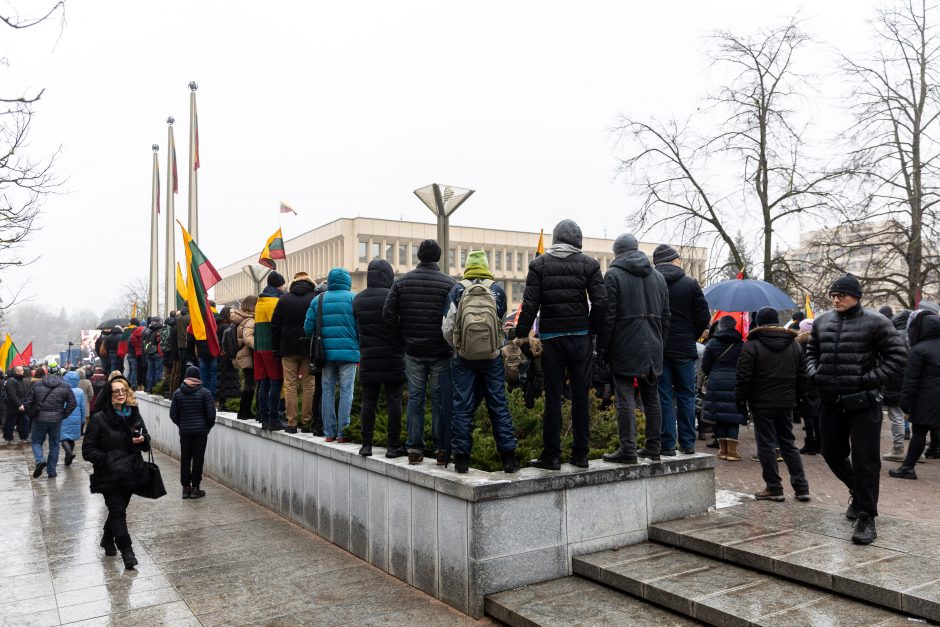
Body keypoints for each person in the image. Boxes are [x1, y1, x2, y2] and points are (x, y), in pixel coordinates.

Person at [806, 274, 906, 545]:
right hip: (831, 401)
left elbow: (897, 356)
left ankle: (866, 516)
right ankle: (857, 490)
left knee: (866, 461)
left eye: (842, 295)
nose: (836, 299)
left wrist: (868, 380)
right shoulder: (822, 321)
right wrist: (815, 374)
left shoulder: (877, 322)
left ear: (856, 297)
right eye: (833, 295)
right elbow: (811, 352)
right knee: (830, 452)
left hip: (864, 404)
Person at [515, 219, 607, 469]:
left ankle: (551, 455)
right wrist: (590, 329)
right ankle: (581, 455)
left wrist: (521, 335)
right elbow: (601, 302)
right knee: (580, 397)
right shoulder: (589, 264)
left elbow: (530, 304)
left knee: (553, 397)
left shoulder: (539, 264)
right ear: (578, 240)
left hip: (551, 341)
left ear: (555, 238)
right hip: (580, 340)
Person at [442, 251, 519, 473]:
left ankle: (462, 460)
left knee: (462, 406)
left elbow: (447, 328)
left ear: (467, 266)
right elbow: (500, 324)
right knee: (498, 404)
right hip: (493, 357)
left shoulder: (457, 290)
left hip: (463, 358)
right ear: (486, 266)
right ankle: (509, 459)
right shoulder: (497, 291)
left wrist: (459, 345)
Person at [597, 234, 669, 464]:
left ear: (617, 252)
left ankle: (628, 449)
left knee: (625, 398)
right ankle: (654, 448)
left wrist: (603, 348)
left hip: (625, 345)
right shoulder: (658, 277)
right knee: (652, 398)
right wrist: (660, 343)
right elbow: (667, 317)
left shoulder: (613, 274)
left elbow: (608, 317)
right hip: (653, 346)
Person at [383, 239, 456, 465]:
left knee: (415, 398)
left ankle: (414, 449)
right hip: (441, 351)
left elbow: (388, 315)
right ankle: (441, 449)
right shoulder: (449, 284)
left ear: (419, 257)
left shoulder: (402, 283)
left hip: (412, 350)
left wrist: (403, 337)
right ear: (438, 258)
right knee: (439, 400)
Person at [736, 307, 810, 502]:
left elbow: (743, 377)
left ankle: (774, 487)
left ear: (759, 323)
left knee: (766, 444)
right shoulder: (793, 344)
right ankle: (801, 487)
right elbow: (803, 376)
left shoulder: (752, 345)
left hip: (761, 402)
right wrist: (798, 398)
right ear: (777, 321)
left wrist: (740, 401)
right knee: (788, 443)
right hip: (786, 401)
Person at [81, 375, 150, 569]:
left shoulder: (133, 414)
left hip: (130, 473)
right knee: (118, 512)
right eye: (116, 391)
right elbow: (88, 450)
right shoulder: (99, 419)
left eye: (123, 390)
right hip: (109, 475)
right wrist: (108, 459)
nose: (120, 394)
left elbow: (147, 441)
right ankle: (127, 552)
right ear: (109, 395)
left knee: (117, 511)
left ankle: (106, 539)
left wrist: (142, 441)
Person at [653, 244, 711, 456]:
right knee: (687, 395)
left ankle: (667, 445)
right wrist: (691, 335)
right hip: (685, 349)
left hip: (660, 348)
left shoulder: (652, 283)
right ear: (675, 260)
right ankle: (687, 444)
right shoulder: (690, 284)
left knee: (664, 396)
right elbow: (704, 317)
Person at [353, 259, 407, 457]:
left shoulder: (357, 300)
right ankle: (393, 446)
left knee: (368, 402)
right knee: (394, 401)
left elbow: (356, 330)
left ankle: (366, 445)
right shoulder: (394, 297)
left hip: (368, 357)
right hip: (394, 357)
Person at [305, 268, 359, 442]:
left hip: (325, 354)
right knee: (346, 391)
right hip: (349, 353)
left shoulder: (318, 300)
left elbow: (308, 328)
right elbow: (360, 327)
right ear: (347, 281)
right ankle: (343, 432)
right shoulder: (354, 298)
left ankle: (329, 432)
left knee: (327, 391)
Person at [889, 311, 939, 480]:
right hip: (931, 396)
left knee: (919, 433)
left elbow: (911, 380)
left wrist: (905, 403)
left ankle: (908, 467)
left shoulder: (919, 350)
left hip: (926, 398)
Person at [271, 271, 319, 434]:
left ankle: (291, 423)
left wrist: (276, 348)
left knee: (290, 385)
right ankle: (306, 423)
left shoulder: (284, 299)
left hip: (288, 348)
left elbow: (275, 326)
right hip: (308, 347)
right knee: (308, 385)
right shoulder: (314, 298)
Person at [701, 315, 747, 461]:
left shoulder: (712, 343)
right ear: (734, 326)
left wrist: (713, 373)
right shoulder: (741, 344)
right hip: (735, 382)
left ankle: (722, 450)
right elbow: (745, 365)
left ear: (720, 326)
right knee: (734, 416)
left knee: (719, 416)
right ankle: (732, 452)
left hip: (716, 382)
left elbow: (705, 366)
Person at [170, 365, 216, 498]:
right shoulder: (205, 393)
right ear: (198, 377)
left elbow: (173, 415)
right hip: (201, 433)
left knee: (185, 459)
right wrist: (206, 427)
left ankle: (185, 488)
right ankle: (195, 488)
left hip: (185, 432)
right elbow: (211, 415)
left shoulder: (178, 393)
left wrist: (182, 425)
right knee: (198, 459)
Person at [24, 368, 76, 478]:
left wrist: (32, 416)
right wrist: (63, 415)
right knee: (54, 445)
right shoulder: (65, 386)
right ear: (59, 373)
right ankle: (51, 471)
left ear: (47, 373)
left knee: (36, 442)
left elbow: (27, 403)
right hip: (56, 420)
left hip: (39, 419)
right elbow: (72, 403)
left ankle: (40, 460)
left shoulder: (37, 385)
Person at [255, 272, 287, 431]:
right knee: (276, 382)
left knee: (264, 383)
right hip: (270, 347)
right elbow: (278, 325)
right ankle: (274, 418)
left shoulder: (260, 300)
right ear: (278, 285)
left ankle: (264, 418)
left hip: (259, 347)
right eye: (282, 284)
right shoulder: (275, 301)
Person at [882, 310, 912, 462]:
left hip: (894, 381)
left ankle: (898, 448)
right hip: (912, 382)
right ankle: (916, 451)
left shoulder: (893, 336)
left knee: (897, 417)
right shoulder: (915, 336)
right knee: (912, 418)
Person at [795, 318, 821, 455]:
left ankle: (810, 443)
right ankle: (820, 443)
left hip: (805, 381)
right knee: (817, 413)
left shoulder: (800, 344)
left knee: (808, 414)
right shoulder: (821, 342)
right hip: (818, 380)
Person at [230, 296, 257, 420]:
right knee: (250, 384)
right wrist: (259, 346)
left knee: (248, 383)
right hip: (247, 355)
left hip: (241, 355)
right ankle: (245, 412)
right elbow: (247, 338)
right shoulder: (250, 320)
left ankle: (243, 411)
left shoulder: (240, 318)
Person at [215, 307, 241, 411]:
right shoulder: (227, 327)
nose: (233, 314)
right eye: (231, 313)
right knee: (226, 380)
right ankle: (223, 404)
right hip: (226, 356)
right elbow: (229, 343)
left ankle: (222, 403)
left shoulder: (218, 325)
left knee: (221, 379)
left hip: (219, 355)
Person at [60, 370, 87, 466]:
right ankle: (68, 458)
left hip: (64, 417)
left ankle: (69, 453)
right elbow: (83, 407)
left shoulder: (62, 390)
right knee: (71, 439)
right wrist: (83, 420)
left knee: (63, 437)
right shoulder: (80, 392)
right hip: (76, 419)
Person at [3, 365, 29, 444]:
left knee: (25, 422)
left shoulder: (20, 380)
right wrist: (19, 405)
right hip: (13, 407)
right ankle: (9, 439)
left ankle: (24, 438)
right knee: (11, 423)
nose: (23, 371)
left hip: (21, 406)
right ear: (17, 371)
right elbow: (12, 395)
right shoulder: (12, 381)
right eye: (22, 370)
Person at [142, 317, 164, 393]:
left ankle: (148, 388)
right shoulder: (160, 330)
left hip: (149, 353)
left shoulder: (148, 330)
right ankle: (156, 389)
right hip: (158, 353)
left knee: (150, 372)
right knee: (158, 372)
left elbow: (145, 342)